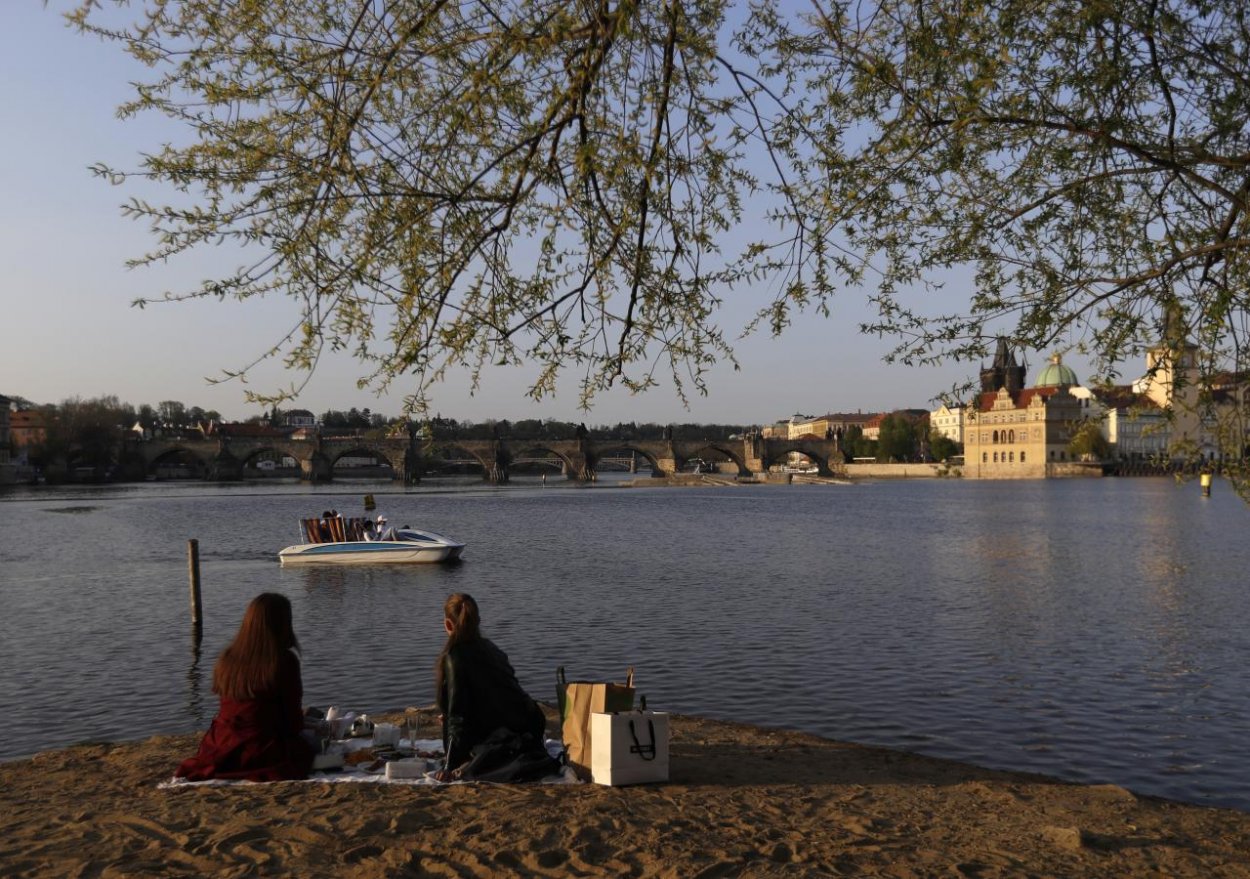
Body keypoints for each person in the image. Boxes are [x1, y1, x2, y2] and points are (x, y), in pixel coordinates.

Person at [175, 593, 315, 781]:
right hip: (263, 746)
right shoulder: (284, 661)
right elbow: (292, 724)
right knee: (313, 744)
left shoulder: (227, 658)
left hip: (221, 745)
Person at [433, 593, 546, 781]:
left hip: (507, 734)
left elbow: (458, 718)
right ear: (478, 622)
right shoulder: (492, 648)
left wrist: (449, 765)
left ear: (448, 625)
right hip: (531, 723)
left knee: (452, 723)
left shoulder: (455, 656)